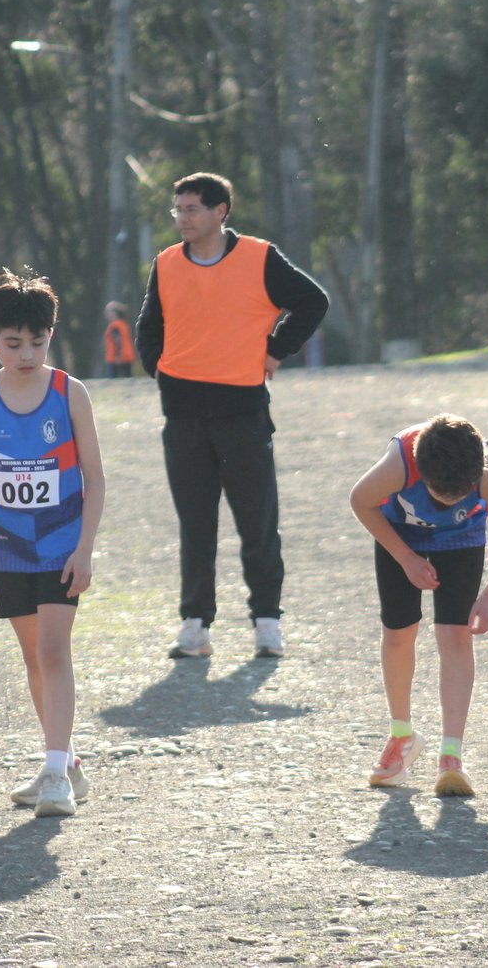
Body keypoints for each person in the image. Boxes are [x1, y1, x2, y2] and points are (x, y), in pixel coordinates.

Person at [136, 172, 328, 660]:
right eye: (177, 209)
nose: (183, 218)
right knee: (195, 524)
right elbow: (149, 324)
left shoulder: (259, 257)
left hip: (242, 412)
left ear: (221, 211)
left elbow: (313, 301)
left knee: (257, 520)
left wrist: (276, 349)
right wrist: (158, 367)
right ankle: (195, 624)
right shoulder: (165, 263)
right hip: (182, 413)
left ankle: (267, 621)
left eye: (192, 209)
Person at [0, 269, 107, 817]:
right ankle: (66, 764)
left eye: (38, 342)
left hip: (62, 544)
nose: (27, 354)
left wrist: (85, 548)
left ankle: (53, 776)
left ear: (51, 337)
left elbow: (95, 476)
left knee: (52, 650)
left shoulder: (71, 393)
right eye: (13, 344)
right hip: (9, 549)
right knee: (31, 657)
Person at [349, 414, 488, 797]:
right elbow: (360, 501)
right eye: (438, 496)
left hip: (462, 541)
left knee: (455, 636)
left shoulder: (485, 471)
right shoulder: (400, 462)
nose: (446, 504)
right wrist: (405, 559)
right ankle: (402, 736)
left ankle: (451, 755)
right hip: (400, 537)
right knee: (398, 634)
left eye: (456, 498)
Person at [103, 301, 135, 378]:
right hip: (127, 356)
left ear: (115, 314)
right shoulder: (123, 324)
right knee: (128, 379)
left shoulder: (114, 326)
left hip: (115, 358)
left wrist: (117, 356)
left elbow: (118, 341)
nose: (107, 315)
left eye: (108, 312)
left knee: (112, 381)